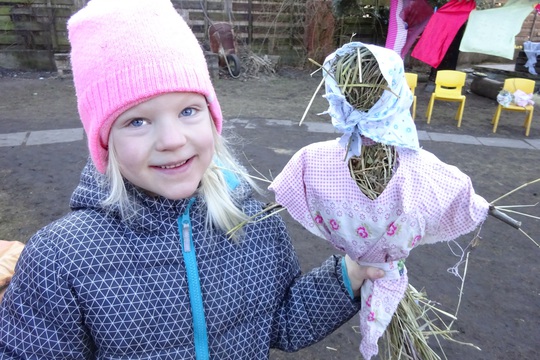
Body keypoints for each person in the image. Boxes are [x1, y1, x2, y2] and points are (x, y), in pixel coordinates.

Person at [0, 0, 384, 358]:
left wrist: (348, 275)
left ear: (212, 117)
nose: (172, 140)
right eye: (137, 121)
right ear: (105, 140)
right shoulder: (60, 259)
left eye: (188, 110)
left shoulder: (253, 222)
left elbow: (280, 322)